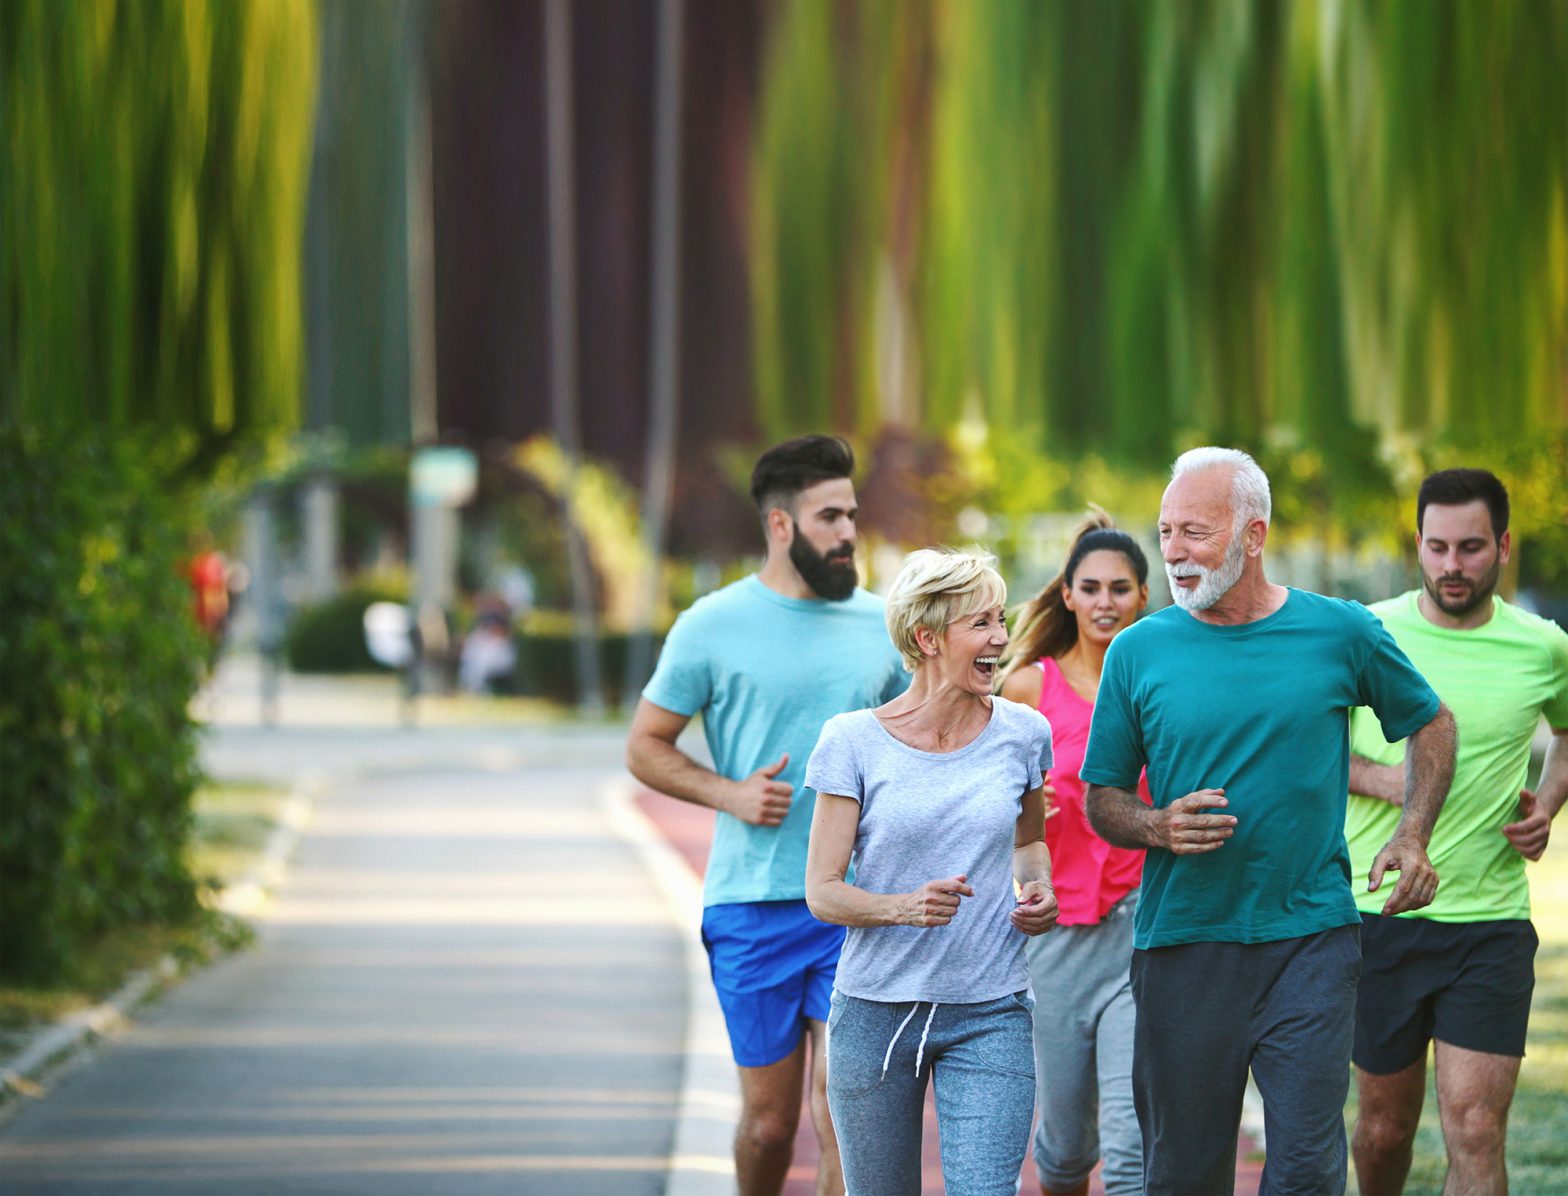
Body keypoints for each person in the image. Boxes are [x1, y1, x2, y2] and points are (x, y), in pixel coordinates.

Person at [1080, 446, 1458, 1196]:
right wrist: (1156, 826)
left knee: (1308, 1171)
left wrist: (1412, 832)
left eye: (1195, 531)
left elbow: (1432, 722)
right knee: (1184, 1175)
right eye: (1165, 532)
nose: (1175, 554)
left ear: (1253, 535)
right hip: (1183, 944)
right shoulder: (1137, 651)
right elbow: (1104, 801)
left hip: (1310, 940)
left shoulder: (1340, 632)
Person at [626, 435, 906, 1196]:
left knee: (842, 1112)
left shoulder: (884, 627)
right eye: (828, 517)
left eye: (850, 513)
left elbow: (928, 735)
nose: (848, 531)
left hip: (853, 906)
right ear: (781, 525)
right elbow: (645, 746)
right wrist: (731, 793)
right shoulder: (710, 626)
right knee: (769, 1124)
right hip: (750, 904)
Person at [804, 547, 1059, 1196]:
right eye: (981, 623)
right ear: (927, 637)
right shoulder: (851, 741)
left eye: (1002, 619)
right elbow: (823, 893)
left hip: (991, 1010)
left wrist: (1040, 891)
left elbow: (1030, 845)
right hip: (875, 1012)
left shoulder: (1024, 734)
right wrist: (903, 907)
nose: (1001, 638)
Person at [1345, 468, 1568, 1196]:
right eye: (1436, 547)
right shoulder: (1367, 632)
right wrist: (1384, 780)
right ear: (1418, 542)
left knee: (1475, 1130)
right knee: (1382, 1133)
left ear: (1504, 545)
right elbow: (1307, 745)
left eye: (1470, 548)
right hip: (1378, 915)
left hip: (1489, 922)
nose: (1450, 565)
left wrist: (1550, 803)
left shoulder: (1542, 645)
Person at [997, 513, 1150, 1196]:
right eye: (1090, 588)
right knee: (1063, 1148)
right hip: (1053, 941)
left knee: (1129, 1143)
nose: (1105, 602)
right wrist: (1020, 813)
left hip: (1137, 929)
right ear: (1067, 595)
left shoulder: (1157, 685)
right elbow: (985, 800)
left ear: (1144, 596)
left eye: (1120, 588)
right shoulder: (1029, 688)